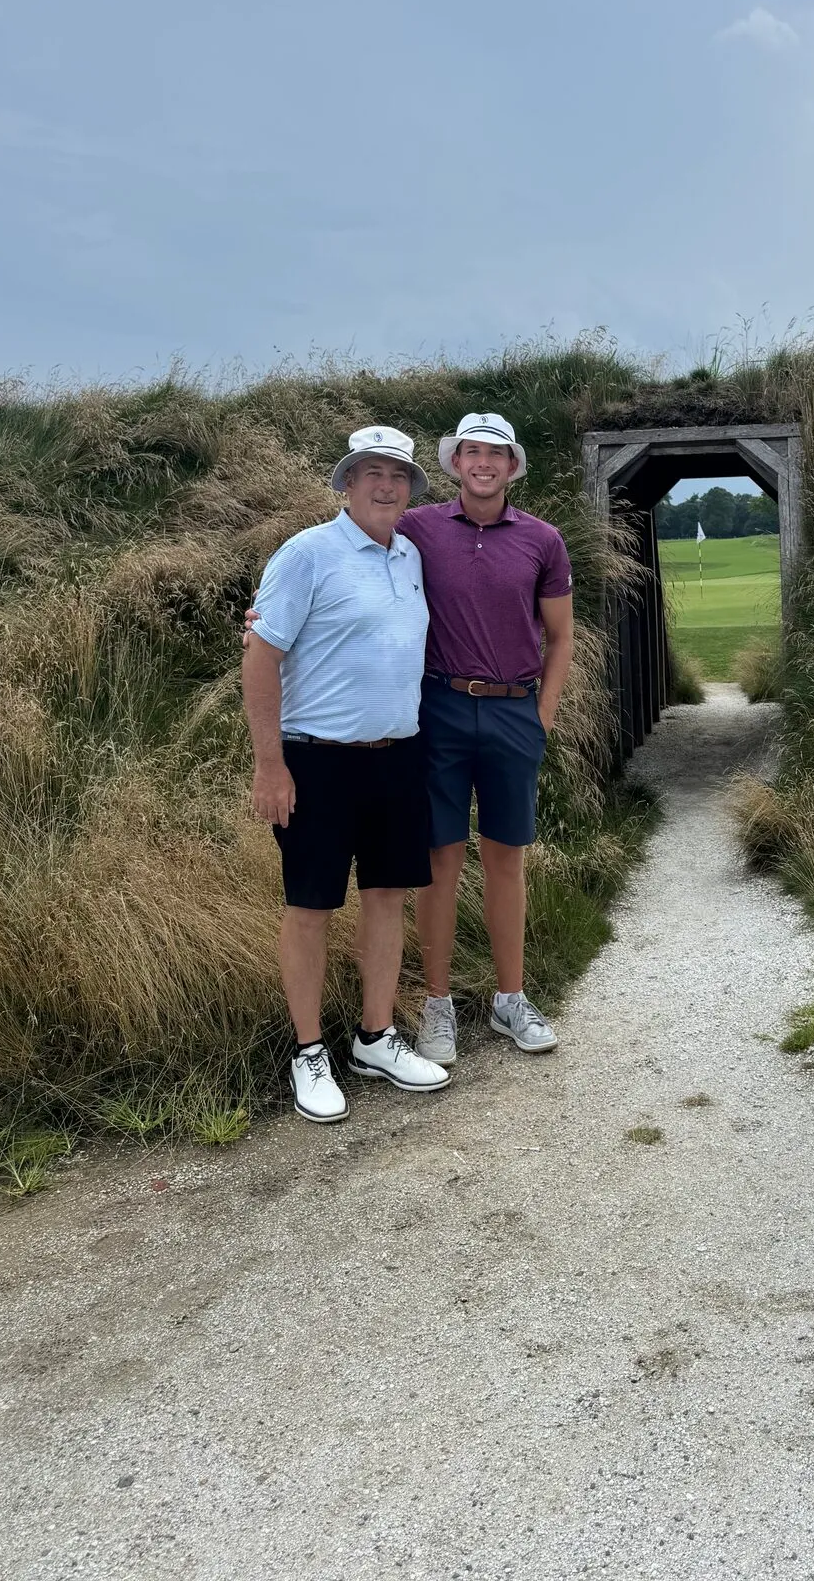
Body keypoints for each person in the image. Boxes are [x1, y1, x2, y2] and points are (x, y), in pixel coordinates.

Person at [243, 426, 451, 1123]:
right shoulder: (307, 554)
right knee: (311, 906)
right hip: (317, 759)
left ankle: (375, 1037)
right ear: (346, 482)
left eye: (397, 474)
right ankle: (309, 1053)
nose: (386, 484)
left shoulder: (411, 555)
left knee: (387, 896)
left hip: (398, 754)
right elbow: (260, 656)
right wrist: (269, 765)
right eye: (371, 472)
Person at [396, 412, 575, 1064]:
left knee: (506, 859)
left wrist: (543, 715)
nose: (483, 463)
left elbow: (561, 636)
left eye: (495, 454)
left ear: (511, 466)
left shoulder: (542, 540)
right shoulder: (418, 529)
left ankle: (509, 999)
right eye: (472, 451)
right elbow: (352, 555)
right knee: (439, 860)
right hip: (438, 707)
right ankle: (437, 1006)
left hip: (511, 711)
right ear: (455, 463)